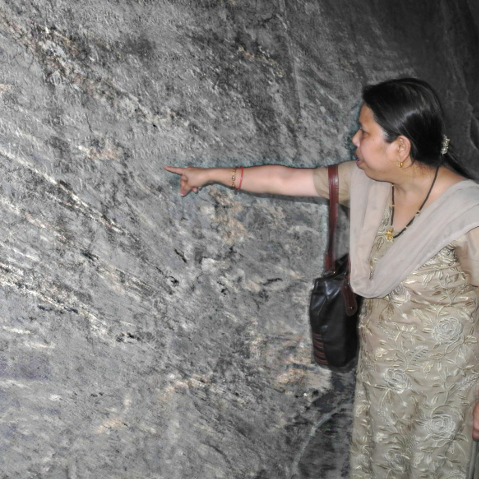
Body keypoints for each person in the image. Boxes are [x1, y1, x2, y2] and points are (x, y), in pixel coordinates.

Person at [165, 78, 479, 478]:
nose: (353, 139)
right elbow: (285, 179)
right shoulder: (368, 181)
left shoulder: (467, 214)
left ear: (400, 147)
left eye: (364, 132)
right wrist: (210, 174)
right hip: (381, 381)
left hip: (443, 389)